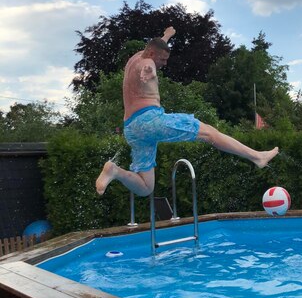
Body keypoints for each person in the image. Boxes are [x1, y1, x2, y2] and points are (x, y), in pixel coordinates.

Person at [96, 26, 279, 196]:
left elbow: (155, 47)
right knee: (210, 134)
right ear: (152, 54)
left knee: (146, 187)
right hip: (150, 121)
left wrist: (167, 36)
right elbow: (148, 65)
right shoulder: (146, 63)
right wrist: (149, 71)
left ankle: (115, 171)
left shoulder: (134, 58)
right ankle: (256, 156)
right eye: (162, 60)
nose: (164, 64)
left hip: (132, 129)